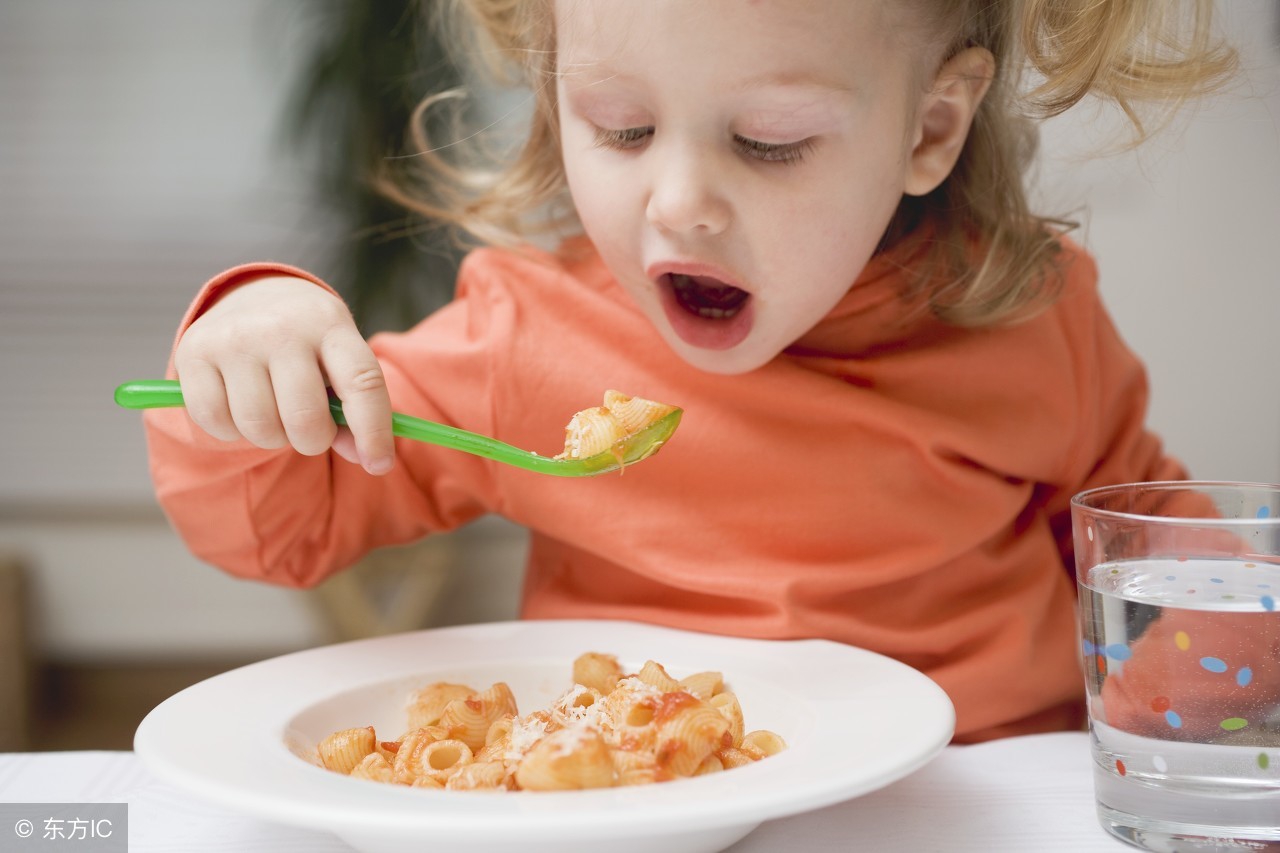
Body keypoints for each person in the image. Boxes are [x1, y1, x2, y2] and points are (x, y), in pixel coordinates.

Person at [141, 1, 1237, 742]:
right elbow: (277, 526)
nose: (678, 204)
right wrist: (254, 353)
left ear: (930, 128)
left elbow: (1149, 542)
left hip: (973, 798)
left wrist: (1191, 696)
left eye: (768, 140)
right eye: (621, 128)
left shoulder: (1035, 319)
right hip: (644, 803)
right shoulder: (528, 339)